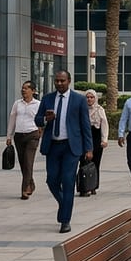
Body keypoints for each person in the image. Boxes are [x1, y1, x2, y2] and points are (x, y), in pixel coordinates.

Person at [36, 70, 93, 233]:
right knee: (52, 180)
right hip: (52, 146)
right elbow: (37, 119)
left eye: (62, 81)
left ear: (69, 81)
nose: (59, 83)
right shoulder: (47, 99)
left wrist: (89, 148)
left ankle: (65, 220)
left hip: (71, 147)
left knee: (68, 181)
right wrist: (46, 119)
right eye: (57, 81)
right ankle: (64, 203)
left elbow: (85, 125)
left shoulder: (79, 100)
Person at [6, 80, 41, 200]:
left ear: (33, 91)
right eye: (22, 88)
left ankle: (25, 189)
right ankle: (31, 183)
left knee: (28, 161)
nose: (23, 90)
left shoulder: (38, 104)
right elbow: (12, 119)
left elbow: (42, 120)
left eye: (26, 88)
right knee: (22, 162)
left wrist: (41, 131)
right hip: (19, 136)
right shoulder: (17, 104)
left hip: (32, 135)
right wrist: (9, 136)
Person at [83, 90, 109, 196]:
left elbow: (104, 125)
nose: (89, 99)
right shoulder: (82, 109)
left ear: (95, 98)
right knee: (84, 161)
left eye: (91, 97)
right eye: (87, 97)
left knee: (95, 163)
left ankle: (93, 186)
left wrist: (104, 140)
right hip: (85, 138)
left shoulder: (99, 110)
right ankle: (84, 186)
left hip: (96, 137)